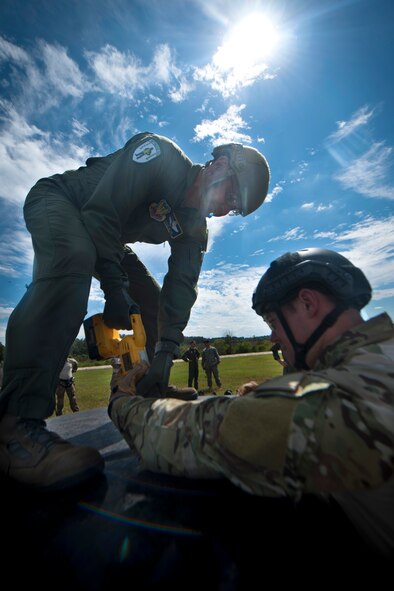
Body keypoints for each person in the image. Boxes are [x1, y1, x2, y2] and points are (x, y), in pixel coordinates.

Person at [0, 133, 270, 489]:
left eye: (234, 208)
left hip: (105, 233)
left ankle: (150, 385)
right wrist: (114, 288)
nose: (224, 209)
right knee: (73, 259)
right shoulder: (160, 155)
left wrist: (164, 355)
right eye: (232, 195)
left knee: (153, 302)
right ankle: (15, 424)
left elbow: (181, 288)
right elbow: (101, 212)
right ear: (220, 164)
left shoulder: (194, 227)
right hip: (66, 203)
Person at [108, 248, 394, 557]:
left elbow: (175, 435)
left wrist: (122, 400)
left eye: (273, 321)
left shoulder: (328, 402)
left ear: (308, 303)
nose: (272, 337)